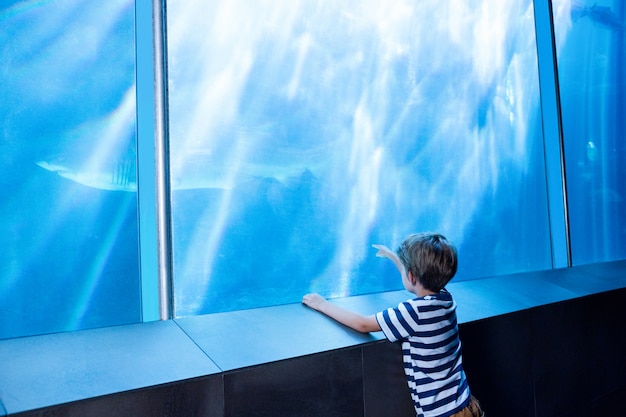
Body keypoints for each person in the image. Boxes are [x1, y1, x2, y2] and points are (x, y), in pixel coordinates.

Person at [302, 232, 484, 417]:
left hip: (440, 412)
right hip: (463, 401)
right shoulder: (445, 298)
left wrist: (321, 304)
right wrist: (394, 257)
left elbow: (363, 324)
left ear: (411, 276)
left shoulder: (414, 312)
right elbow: (419, 277)